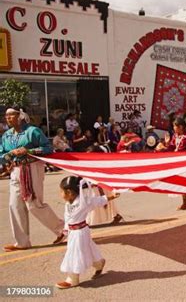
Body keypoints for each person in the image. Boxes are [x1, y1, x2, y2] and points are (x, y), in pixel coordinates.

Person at [0, 106, 65, 251]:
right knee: (15, 205)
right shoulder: (6, 136)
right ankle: (22, 242)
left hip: (32, 168)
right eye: (6, 116)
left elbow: (48, 148)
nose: (8, 118)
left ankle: (63, 229)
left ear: (20, 116)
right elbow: (1, 155)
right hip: (16, 171)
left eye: (11, 115)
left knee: (34, 204)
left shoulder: (32, 131)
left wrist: (28, 150)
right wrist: (9, 155)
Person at [55, 176, 120, 289]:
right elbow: (68, 219)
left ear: (69, 192)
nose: (60, 194)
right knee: (87, 249)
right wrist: (65, 230)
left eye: (61, 191)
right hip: (73, 232)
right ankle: (98, 263)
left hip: (80, 232)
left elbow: (98, 201)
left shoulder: (84, 202)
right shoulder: (68, 204)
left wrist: (112, 196)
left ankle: (72, 279)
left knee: (75, 253)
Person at [157, 118, 186, 209]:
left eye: (175, 126)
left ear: (180, 127)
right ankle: (185, 201)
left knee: (185, 181)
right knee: (179, 181)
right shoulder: (175, 136)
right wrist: (165, 145)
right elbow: (171, 148)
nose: (173, 128)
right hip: (177, 162)